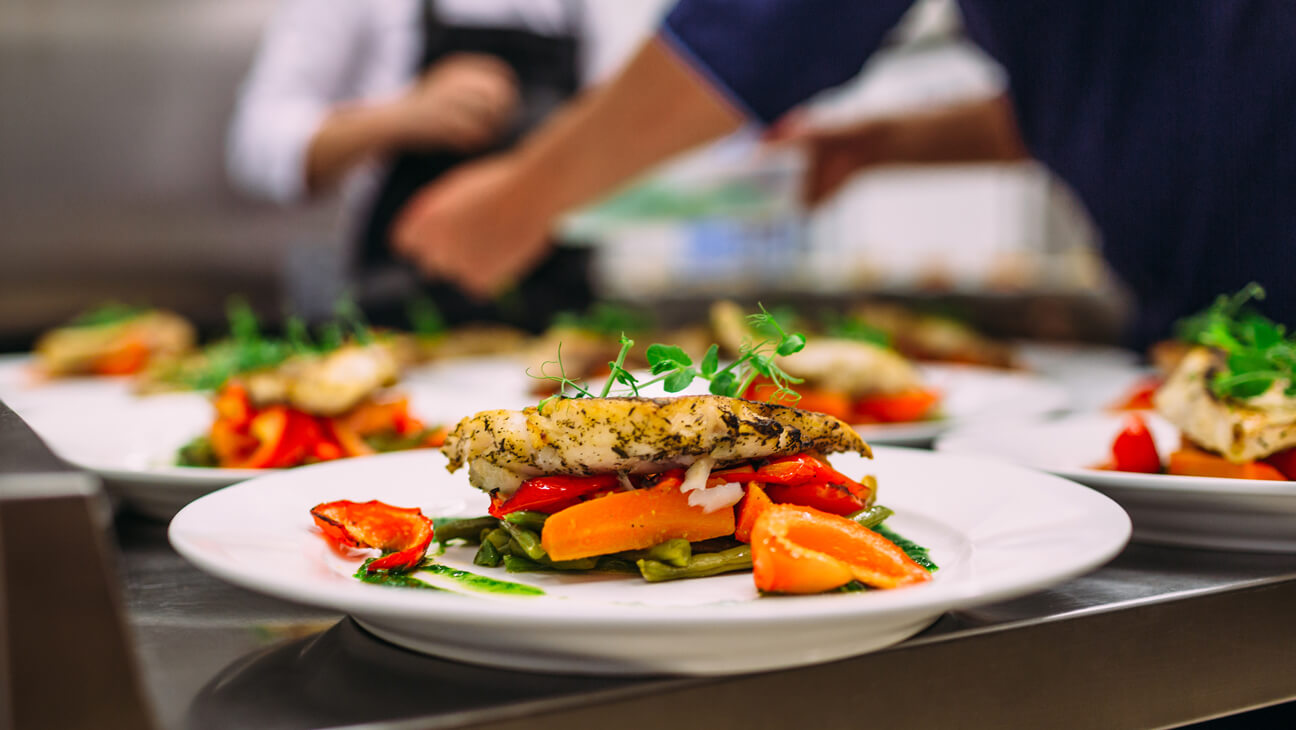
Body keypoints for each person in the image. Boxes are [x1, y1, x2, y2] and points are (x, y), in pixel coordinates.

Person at [391, 0, 1296, 347]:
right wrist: (892, 142)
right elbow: (1130, 81)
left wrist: (521, 200)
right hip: (1216, 339)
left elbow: (766, 21)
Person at [227, 0, 605, 330]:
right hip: (401, 310)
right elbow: (257, 147)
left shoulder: (579, 7)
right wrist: (402, 115)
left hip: (562, 326)